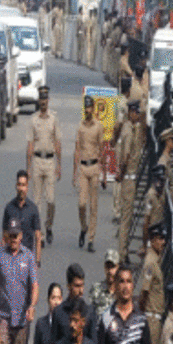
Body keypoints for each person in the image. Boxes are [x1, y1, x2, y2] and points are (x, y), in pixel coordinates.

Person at [26, 86, 61, 243]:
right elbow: (30, 144)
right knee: (37, 201)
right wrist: (28, 168)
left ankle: (49, 225)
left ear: (48, 100)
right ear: (38, 101)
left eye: (45, 99)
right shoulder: (33, 120)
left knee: (51, 200)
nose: (43, 102)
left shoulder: (54, 119)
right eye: (41, 99)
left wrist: (59, 165)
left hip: (50, 162)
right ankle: (39, 234)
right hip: (37, 161)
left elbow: (58, 142)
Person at [140, 222, 168, 344]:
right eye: (160, 238)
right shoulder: (151, 262)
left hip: (154, 316)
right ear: (152, 240)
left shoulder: (155, 259)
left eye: (164, 238)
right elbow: (144, 292)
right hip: (152, 318)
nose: (163, 242)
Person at [114, 101, 145, 255]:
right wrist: (121, 172)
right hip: (129, 178)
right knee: (126, 219)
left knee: (127, 217)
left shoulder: (131, 127)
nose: (138, 115)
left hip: (129, 177)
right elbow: (126, 156)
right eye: (136, 112)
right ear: (131, 113)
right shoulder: (128, 130)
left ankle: (123, 250)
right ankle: (122, 253)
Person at [73, 99, 104, 252]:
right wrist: (74, 172)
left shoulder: (98, 126)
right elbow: (77, 149)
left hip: (95, 167)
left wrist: (104, 173)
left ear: (93, 108)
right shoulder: (80, 126)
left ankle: (91, 238)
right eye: (86, 108)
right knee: (82, 204)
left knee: (93, 206)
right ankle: (84, 227)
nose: (88, 110)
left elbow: (102, 150)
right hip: (83, 168)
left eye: (90, 107)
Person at [3, 170, 44, 265]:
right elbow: (4, 236)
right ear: (16, 186)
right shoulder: (9, 208)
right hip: (11, 259)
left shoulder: (33, 209)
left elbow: (38, 237)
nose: (21, 188)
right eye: (19, 185)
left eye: (23, 185)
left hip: (27, 259)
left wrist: (37, 261)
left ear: (27, 187)